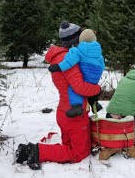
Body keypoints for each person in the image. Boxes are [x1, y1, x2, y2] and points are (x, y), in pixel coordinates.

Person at [15, 21, 101, 170]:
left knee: (68, 147)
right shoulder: (68, 59)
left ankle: (26, 150)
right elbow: (79, 87)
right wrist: (97, 89)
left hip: (64, 112)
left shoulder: (59, 56)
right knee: (78, 154)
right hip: (74, 113)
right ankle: (36, 151)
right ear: (74, 40)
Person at [48, 28, 105, 118]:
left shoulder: (76, 50)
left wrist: (58, 67)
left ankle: (76, 106)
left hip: (69, 111)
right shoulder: (99, 51)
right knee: (89, 86)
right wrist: (97, 84)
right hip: (95, 75)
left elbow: (69, 63)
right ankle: (94, 104)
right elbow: (102, 66)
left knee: (73, 90)